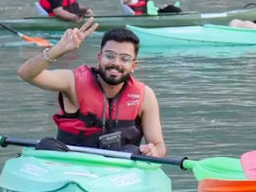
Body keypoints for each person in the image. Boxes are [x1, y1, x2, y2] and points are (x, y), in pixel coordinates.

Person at [17, 22, 166, 157]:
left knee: (133, 151)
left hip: (119, 168)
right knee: (46, 145)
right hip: (70, 163)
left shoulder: (145, 96)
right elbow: (26, 74)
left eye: (125, 59)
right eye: (110, 56)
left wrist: (153, 151)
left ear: (134, 66)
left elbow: (159, 146)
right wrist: (58, 50)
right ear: (99, 57)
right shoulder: (72, 82)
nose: (116, 63)